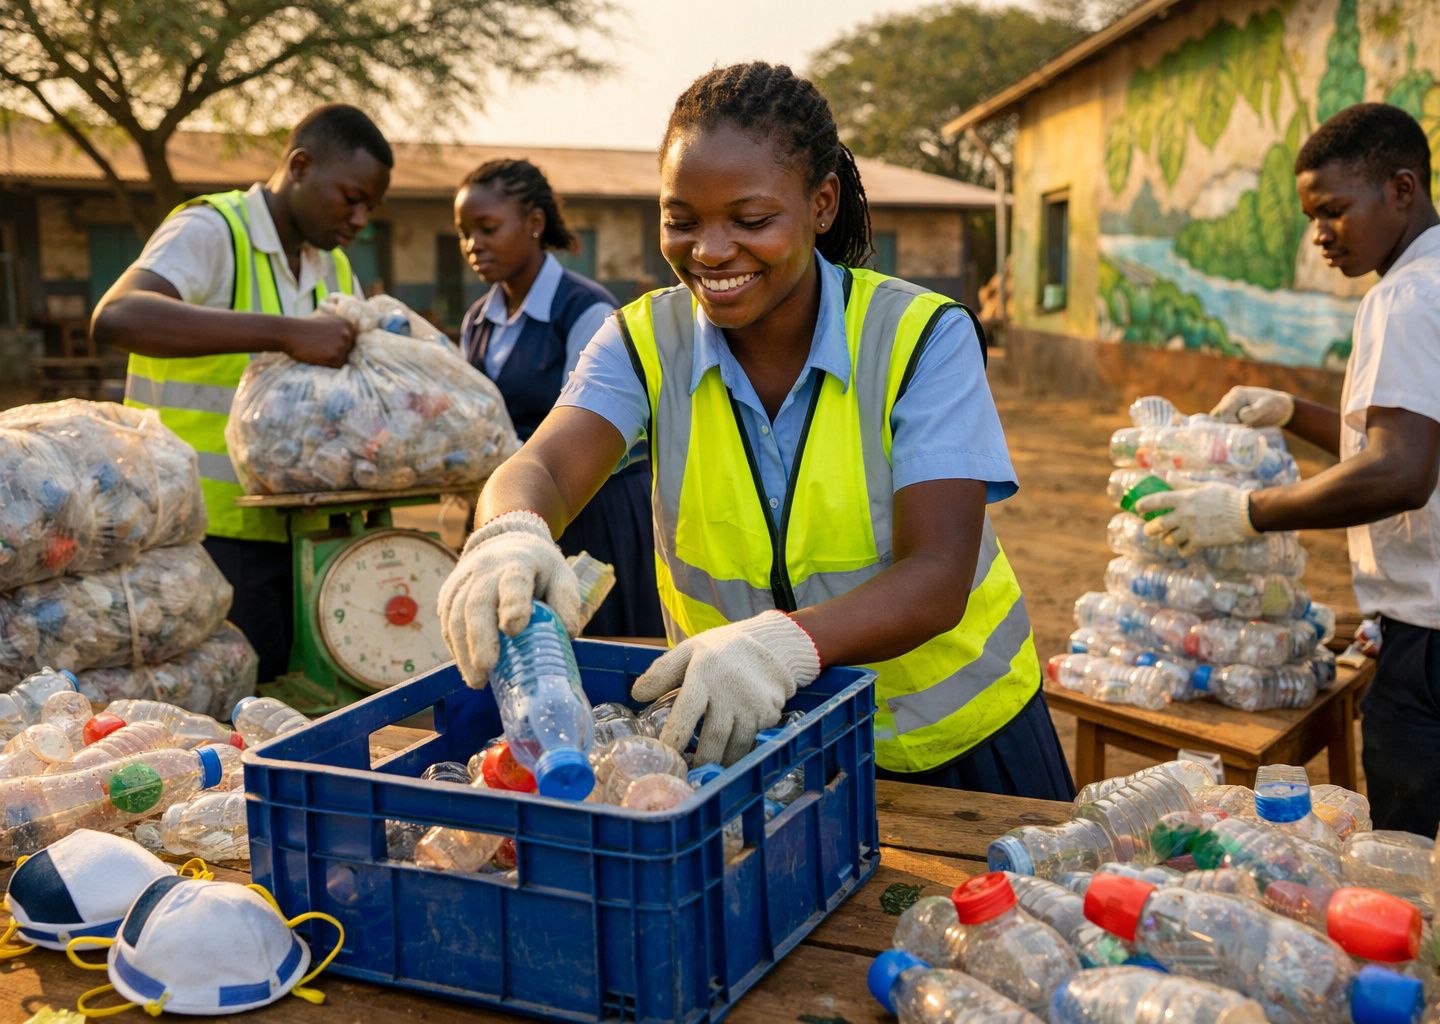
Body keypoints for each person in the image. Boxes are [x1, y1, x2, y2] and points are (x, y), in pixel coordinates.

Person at [436, 62, 1074, 798]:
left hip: (955, 746)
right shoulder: (643, 343)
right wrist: (511, 532)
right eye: (682, 220)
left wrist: (783, 644)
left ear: (821, 204)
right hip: (758, 750)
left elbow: (937, 573)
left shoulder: (920, 336)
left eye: (750, 220)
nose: (710, 250)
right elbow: (545, 466)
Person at [1137, 103, 1440, 848]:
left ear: (1402, 189)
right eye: (1311, 217)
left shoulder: (1408, 296)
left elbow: (1400, 472)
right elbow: (1417, 437)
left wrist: (1246, 512)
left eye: (1334, 210)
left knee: (1434, 868)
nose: (1319, 234)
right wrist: (1293, 411)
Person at [92, 104, 393, 682]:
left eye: (370, 207)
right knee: (221, 698)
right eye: (351, 197)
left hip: (298, 530)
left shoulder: (332, 267)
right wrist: (286, 332)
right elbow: (118, 316)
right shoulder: (211, 231)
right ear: (300, 167)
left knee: (286, 696)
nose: (360, 219)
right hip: (197, 532)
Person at [454, 159, 662, 637]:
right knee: (518, 643)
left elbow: (593, 430)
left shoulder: (585, 311)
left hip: (591, 511)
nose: (472, 244)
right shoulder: (477, 321)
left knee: (596, 646)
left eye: (487, 228)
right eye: (464, 233)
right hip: (512, 512)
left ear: (534, 223)